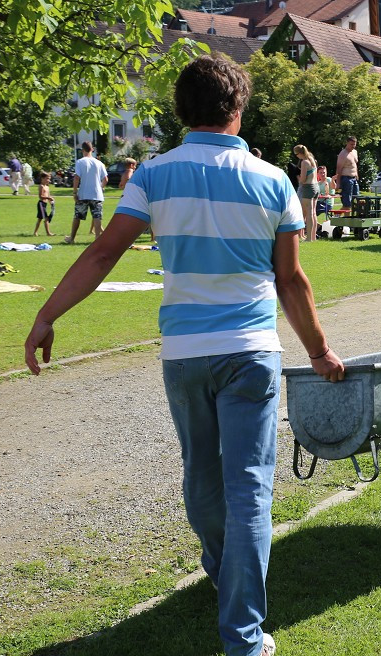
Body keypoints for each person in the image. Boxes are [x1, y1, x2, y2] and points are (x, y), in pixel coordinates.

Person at [24, 54, 345, 656]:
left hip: (185, 351)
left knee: (202, 472)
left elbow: (101, 256)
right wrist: (321, 352)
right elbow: (292, 282)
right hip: (250, 349)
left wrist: (47, 315)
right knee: (248, 486)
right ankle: (243, 635)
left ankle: (225, 576)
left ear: (180, 110)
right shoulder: (274, 179)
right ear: (239, 108)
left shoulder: (152, 173)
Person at [63, 141, 108, 244]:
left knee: (77, 216)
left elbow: (76, 178)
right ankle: (97, 238)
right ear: (92, 149)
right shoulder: (99, 163)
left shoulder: (80, 162)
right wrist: (101, 187)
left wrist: (74, 192)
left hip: (83, 194)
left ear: (82, 150)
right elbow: (105, 179)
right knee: (97, 216)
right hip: (97, 194)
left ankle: (72, 238)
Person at [294, 144, 319, 242]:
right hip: (316, 187)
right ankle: (313, 237)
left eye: (296, 154)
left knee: (308, 214)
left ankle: (308, 238)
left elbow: (303, 178)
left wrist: (300, 180)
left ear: (300, 153)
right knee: (313, 213)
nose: (297, 157)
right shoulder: (312, 159)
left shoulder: (304, 162)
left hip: (308, 187)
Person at [336, 136, 359, 209]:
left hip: (354, 179)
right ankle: (341, 218)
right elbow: (339, 169)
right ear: (347, 143)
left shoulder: (355, 152)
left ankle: (338, 217)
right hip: (346, 179)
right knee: (347, 203)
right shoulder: (343, 154)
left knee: (356, 201)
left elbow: (355, 165)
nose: (353, 146)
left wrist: (357, 176)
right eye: (351, 144)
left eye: (354, 144)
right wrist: (338, 183)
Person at [32, 171, 56, 237]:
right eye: (47, 178)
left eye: (49, 178)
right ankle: (48, 233)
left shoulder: (47, 187)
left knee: (39, 219)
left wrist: (51, 201)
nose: (48, 180)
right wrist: (48, 197)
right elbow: (40, 196)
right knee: (46, 218)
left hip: (45, 204)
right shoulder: (41, 186)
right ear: (42, 178)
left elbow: (48, 196)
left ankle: (35, 232)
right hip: (41, 204)